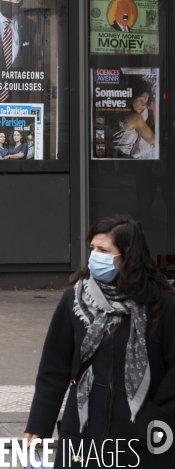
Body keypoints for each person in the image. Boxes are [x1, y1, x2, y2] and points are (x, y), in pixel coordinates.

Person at [25, 215, 175, 469]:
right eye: (93, 248)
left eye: (103, 250)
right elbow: (54, 368)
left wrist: (157, 417)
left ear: (128, 257)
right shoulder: (74, 299)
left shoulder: (161, 304)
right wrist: (39, 426)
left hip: (140, 438)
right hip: (82, 434)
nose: (95, 256)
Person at [113, 78, 155, 159]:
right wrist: (154, 111)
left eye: (146, 102)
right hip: (124, 159)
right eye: (142, 99)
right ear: (132, 96)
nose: (144, 104)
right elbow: (153, 140)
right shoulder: (134, 117)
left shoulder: (121, 112)